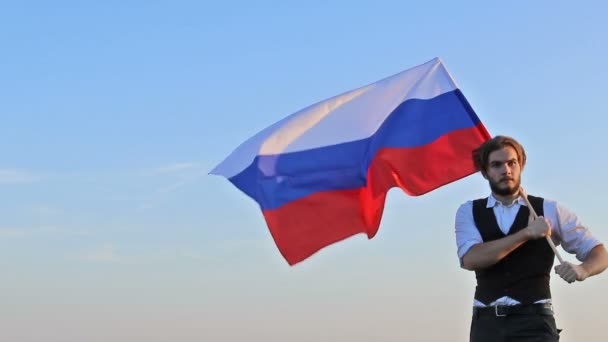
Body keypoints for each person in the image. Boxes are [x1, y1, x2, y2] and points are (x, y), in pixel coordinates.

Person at [454, 135, 608, 342]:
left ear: (521, 166)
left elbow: (599, 253)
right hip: (487, 325)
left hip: (535, 323)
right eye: (497, 165)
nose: (506, 170)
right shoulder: (469, 211)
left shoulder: (549, 209)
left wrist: (583, 269)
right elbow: (471, 259)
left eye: (512, 163)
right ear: (485, 172)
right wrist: (526, 234)